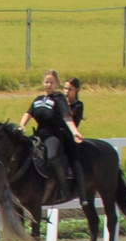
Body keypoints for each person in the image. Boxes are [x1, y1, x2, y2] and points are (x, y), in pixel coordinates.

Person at [23, 70, 85, 199]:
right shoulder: (38, 99)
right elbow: (28, 113)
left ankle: (63, 187)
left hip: (52, 134)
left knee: (52, 156)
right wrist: (22, 124)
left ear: (56, 83)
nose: (48, 85)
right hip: (39, 133)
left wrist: (74, 131)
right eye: (46, 82)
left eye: (51, 82)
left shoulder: (59, 98)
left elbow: (67, 116)